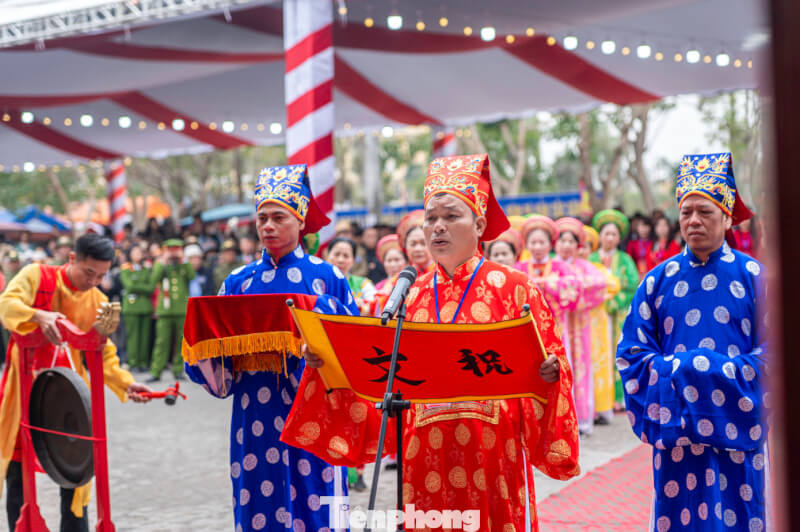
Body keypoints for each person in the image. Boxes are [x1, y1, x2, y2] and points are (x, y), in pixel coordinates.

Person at [285, 154, 580, 532]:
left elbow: (553, 363)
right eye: (431, 218)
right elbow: (381, 377)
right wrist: (329, 362)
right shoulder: (408, 294)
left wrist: (550, 371)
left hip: (492, 453)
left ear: (479, 223)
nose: (437, 227)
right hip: (422, 454)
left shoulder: (515, 288)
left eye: (451, 216)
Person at [185, 164, 358, 532]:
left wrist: (323, 352)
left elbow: (356, 346)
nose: (268, 226)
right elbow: (214, 358)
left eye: (279, 217)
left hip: (315, 411)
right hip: (255, 412)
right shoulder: (238, 281)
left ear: (300, 220)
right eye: (262, 217)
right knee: (258, 498)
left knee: (319, 498)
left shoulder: (328, 277)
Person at [617, 152, 768, 531]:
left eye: (705, 211)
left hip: (738, 431)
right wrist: (680, 373)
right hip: (678, 435)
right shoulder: (656, 280)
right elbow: (631, 355)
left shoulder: (755, 277)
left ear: (727, 215)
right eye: (686, 213)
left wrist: (703, 371)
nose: (694, 221)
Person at [0, 233, 152, 532]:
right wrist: (37, 315)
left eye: (102, 275)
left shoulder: (99, 300)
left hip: (68, 397)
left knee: (76, 472)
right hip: (25, 390)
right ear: (72, 259)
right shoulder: (36, 276)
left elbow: (105, 354)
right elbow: (6, 306)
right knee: (18, 473)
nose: (94, 281)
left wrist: (126, 384)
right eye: (89, 272)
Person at [554, 217, 609, 435]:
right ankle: (560, 421)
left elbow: (600, 285)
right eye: (562, 240)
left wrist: (571, 290)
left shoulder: (584, 266)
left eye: (570, 241)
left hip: (579, 326)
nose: (566, 245)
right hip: (557, 325)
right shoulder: (551, 265)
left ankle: (583, 419)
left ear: (577, 245)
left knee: (581, 368)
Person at [590, 209, 639, 410]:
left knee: (619, 352)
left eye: (614, 234)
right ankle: (600, 398)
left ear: (619, 238)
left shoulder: (626, 259)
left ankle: (619, 398)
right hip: (596, 315)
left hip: (618, 314)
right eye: (606, 233)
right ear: (599, 235)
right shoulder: (591, 258)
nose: (610, 238)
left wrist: (614, 301)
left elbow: (632, 284)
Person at [514, 215, 581, 354]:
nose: (537, 247)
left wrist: (550, 284)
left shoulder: (560, 266)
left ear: (550, 245)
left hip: (557, 324)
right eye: (533, 242)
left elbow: (575, 287)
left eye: (542, 242)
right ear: (527, 245)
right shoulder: (519, 268)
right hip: (527, 324)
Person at [582, 225, 621, 424]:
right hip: (577, 324)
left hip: (597, 322)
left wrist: (598, 297)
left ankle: (601, 407)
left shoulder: (597, 268)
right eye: (578, 246)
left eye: (586, 246)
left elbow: (614, 285)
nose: (581, 250)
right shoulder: (565, 268)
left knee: (599, 364)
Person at [148, 238, 194, 382]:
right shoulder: (161, 265)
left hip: (181, 309)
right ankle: (156, 371)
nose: (173, 253)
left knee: (182, 341)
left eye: (176, 249)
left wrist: (184, 259)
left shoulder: (183, 265)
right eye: (170, 249)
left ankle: (178, 370)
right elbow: (154, 279)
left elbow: (192, 276)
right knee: (161, 341)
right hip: (165, 310)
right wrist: (163, 261)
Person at [120, 245, 154, 372]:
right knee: (133, 337)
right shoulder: (126, 268)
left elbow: (151, 287)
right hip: (132, 307)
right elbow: (129, 286)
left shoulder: (146, 269)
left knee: (144, 337)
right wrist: (142, 287)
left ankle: (143, 362)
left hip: (145, 307)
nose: (138, 254)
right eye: (135, 251)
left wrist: (137, 286)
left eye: (140, 251)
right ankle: (133, 362)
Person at [326, 236, 376, 315]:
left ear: (353, 260)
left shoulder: (363, 284)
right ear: (327, 256)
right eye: (336, 254)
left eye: (346, 256)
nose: (340, 260)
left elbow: (374, 306)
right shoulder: (317, 281)